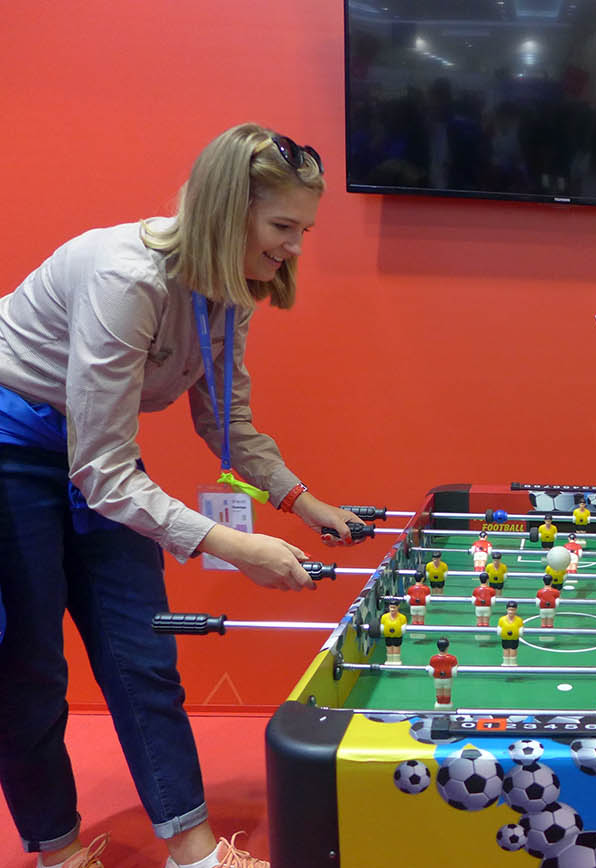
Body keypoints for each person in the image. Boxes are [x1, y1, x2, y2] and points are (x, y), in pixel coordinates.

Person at [0, 124, 360, 868]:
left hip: (90, 452)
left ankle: (192, 853)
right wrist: (236, 547)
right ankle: (58, 852)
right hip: (12, 445)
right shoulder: (125, 277)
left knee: (144, 652)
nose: (295, 247)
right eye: (283, 227)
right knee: (29, 667)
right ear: (228, 212)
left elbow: (226, 423)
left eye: (304, 230)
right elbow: (104, 471)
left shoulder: (232, 291)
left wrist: (302, 501)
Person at [425, 637, 458, 710]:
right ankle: (446, 703)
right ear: (447, 647)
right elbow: (454, 670)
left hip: (437, 679)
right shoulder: (452, 658)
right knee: (447, 691)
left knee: (439, 691)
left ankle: (440, 703)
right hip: (448, 679)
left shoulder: (433, 658)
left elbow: (431, 670)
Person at [380, 601, 407, 665]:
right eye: (391, 607)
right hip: (388, 635)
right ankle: (389, 660)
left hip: (397, 636)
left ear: (397, 607)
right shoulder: (384, 617)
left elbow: (404, 626)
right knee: (389, 648)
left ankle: (396, 660)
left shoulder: (402, 617)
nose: (392, 609)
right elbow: (382, 625)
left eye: (394, 607)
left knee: (396, 648)